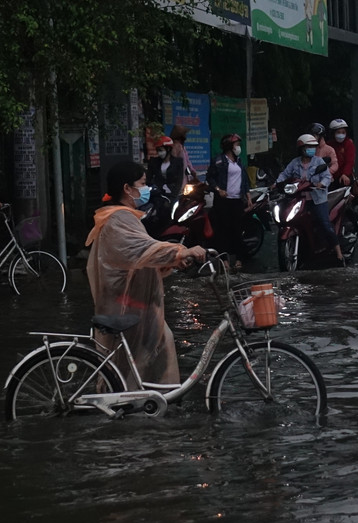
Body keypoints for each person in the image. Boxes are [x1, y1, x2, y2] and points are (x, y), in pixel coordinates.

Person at [85, 161, 205, 385]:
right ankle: (145, 401)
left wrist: (173, 261)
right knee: (147, 353)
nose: (147, 188)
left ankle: (148, 401)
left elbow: (141, 258)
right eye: (142, 183)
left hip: (132, 301)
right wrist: (181, 251)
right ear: (127, 189)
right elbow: (144, 250)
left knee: (146, 353)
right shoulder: (118, 220)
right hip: (127, 304)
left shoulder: (124, 217)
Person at [276, 133, 344, 265]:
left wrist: (321, 184)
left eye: (313, 146)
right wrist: (276, 183)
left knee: (325, 224)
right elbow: (285, 174)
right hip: (299, 200)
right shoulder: (295, 163)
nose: (312, 149)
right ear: (302, 148)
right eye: (309, 147)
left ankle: (338, 253)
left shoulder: (318, 161)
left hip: (317, 199)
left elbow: (327, 176)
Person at [205, 133, 249, 271]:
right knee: (223, 231)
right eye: (236, 145)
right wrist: (218, 190)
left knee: (238, 230)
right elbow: (210, 179)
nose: (238, 147)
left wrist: (248, 196)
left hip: (237, 200)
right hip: (223, 202)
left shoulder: (239, 161)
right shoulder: (218, 161)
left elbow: (244, 180)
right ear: (229, 146)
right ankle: (224, 260)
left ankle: (239, 259)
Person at [328, 118, 356, 187]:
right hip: (330, 177)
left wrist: (345, 174)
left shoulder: (349, 144)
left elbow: (350, 161)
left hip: (345, 176)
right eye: (338, 132)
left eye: (343, 132)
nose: (341, 135)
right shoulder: (329, 145)